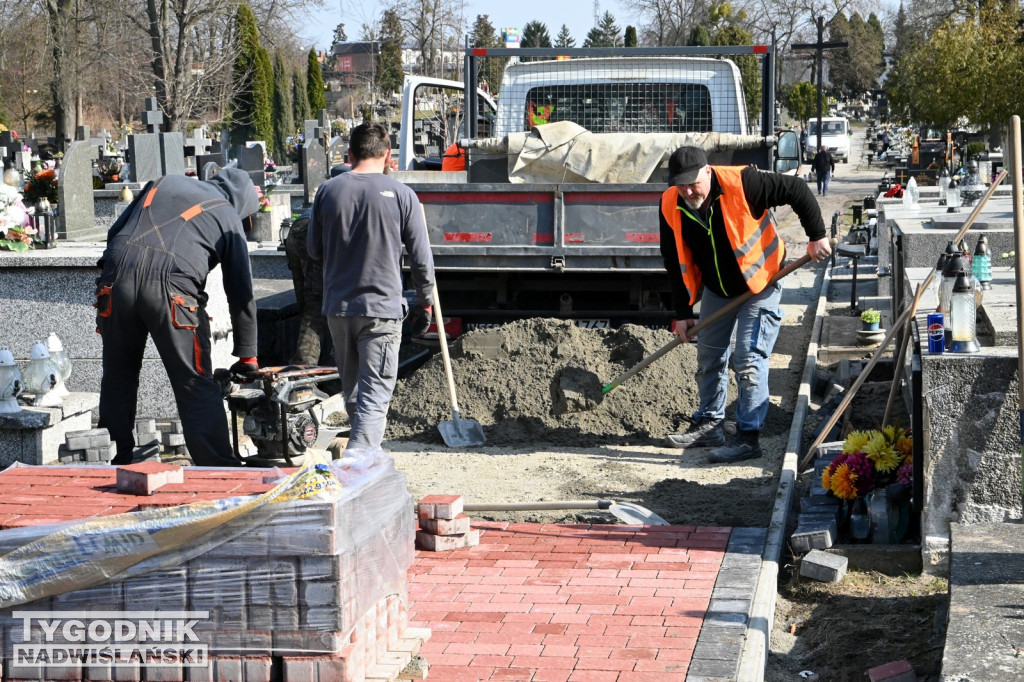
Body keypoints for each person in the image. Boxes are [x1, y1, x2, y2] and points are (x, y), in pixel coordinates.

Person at [659, 147, 831, 463]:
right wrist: (682, 313)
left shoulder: (744, 183)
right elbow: (672, 261)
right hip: (718, 289)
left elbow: (796, 189)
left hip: (761, 281)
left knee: (748, 357)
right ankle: (710, 424)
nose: (687, 191)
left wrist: (816, 235)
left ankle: (748, 438)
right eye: (680, 185)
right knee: (709, 355)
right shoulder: (671, 203)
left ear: (707, 172)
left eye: (693, 183)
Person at [95, 167, 261, 466]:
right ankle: (217, 467)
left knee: (118, 376)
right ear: (243, 203)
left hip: (115, 279)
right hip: (172, 291)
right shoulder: (227, 214)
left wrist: (113, 273)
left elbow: (115, 230)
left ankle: (112, 459)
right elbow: (240, 290)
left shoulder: (162, 181)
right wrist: (248, 354)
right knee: (194, 382)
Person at [307, 123, 436, 451]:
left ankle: (361, 458)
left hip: (338, 308)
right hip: (381, 310)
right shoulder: (403, 196)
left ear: (349, 154)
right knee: (375, 395)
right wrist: (427, 299)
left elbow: (313, 250)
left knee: (353, 393)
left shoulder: (327, 191)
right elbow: (421, 258)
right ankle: (359, 463)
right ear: (388, 156)